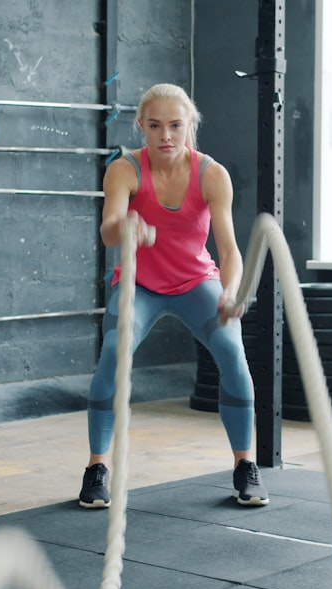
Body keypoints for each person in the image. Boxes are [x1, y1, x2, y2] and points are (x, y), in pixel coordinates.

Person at [79, 83, 268, 509]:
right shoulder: (124, 170)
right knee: (113, 353)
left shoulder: (211, 174)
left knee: (233, 354)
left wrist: (231, 292)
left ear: (190, 126)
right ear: (142, 126)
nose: (166, 135)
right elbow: (108, 230)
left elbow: (230, 251)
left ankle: (245, 465)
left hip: (196, 283)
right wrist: (127, 226)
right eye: (155, 126)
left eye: (175, 126)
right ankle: (96, 468)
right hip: (139, 285)